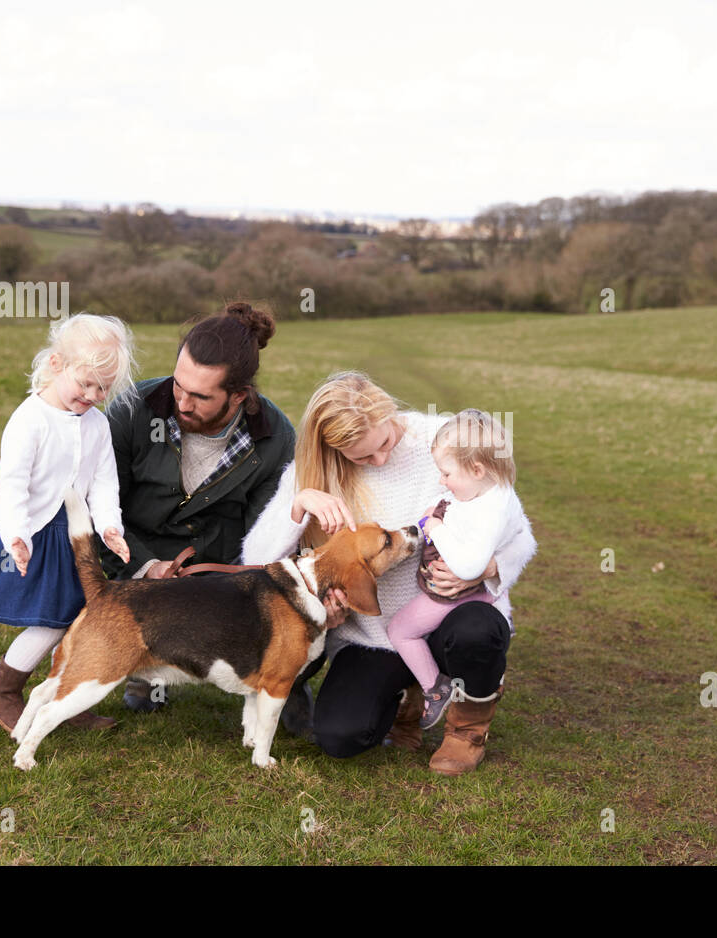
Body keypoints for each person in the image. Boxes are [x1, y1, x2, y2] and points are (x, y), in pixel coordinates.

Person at [241, 372, 536, 775]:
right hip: (373, 635)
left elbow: (520, 532)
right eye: (361, 457)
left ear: (389, 412)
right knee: (341, 737)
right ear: (332, 448)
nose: (379, 460)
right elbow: (254, 562)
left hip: (450, 616)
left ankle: (466, 730)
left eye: (383, 443)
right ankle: (407, 702)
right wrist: (298, 505)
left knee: (477, 631)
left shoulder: (445, 442)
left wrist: (487, 568)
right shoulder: (310, 472)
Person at [99, 301, 297, 714]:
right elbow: (101, 509)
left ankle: (283, 678)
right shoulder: (130, 409)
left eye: (201, 396)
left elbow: (266, 539)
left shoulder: (276, 438)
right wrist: (146, 565)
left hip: (218, 581)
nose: (182, 403)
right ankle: (138, 665)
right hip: (130, 563)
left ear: (239, 395)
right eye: (178, 386)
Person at [0, 312, 136, 734]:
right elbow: (12, 484)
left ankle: (65, 695)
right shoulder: (30, 419)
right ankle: (0, 692)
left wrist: (110, 526)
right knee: (55, 618)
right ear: (57, 364)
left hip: (73, 536)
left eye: (103, 388)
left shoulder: (96, 424)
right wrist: (16, 536)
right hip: (32, 532)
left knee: (79, 615)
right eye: (85, 383)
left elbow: (105, 480)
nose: (92, 395)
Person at [387, 409, 526, 730]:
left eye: (446, 474)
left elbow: (469, 565)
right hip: (479, 597)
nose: (441, 481)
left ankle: (434, 688)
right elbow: (462, 507)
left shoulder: (489, 513)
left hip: (448, 596)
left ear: (477, 469)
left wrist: (434, 527)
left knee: (401, 630)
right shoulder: (493, 493)